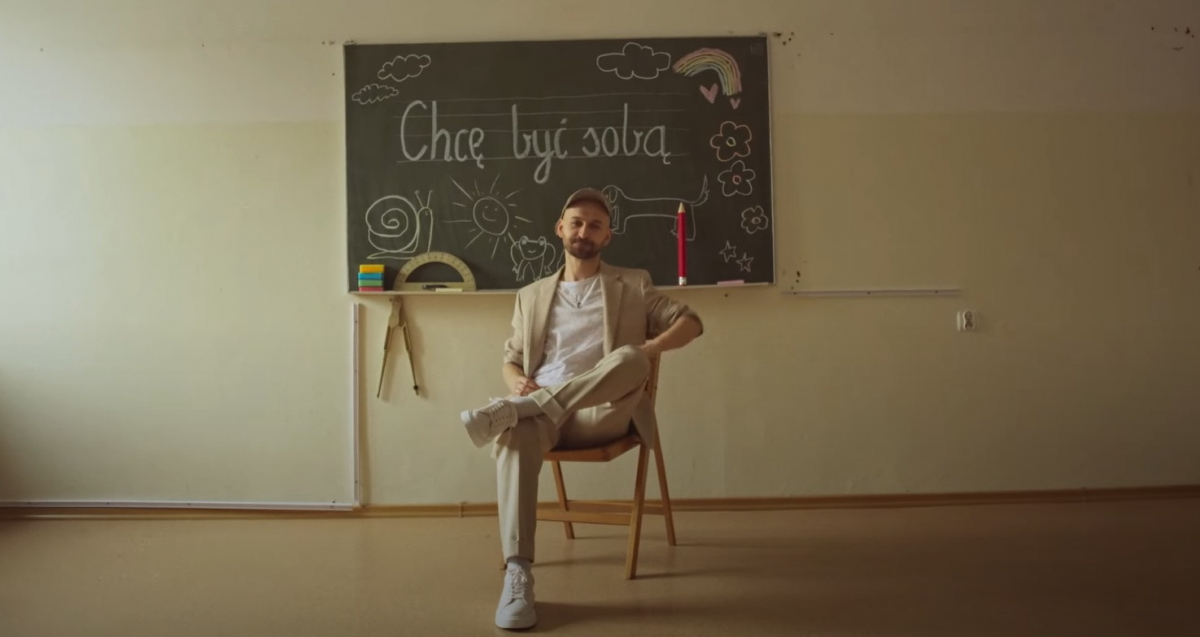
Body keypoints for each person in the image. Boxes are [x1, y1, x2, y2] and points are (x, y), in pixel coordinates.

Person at [459, 187, 704, 630]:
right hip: (542, 420)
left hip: (602, 414)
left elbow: (692, 322)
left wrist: (650, 348)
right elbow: (512, 359)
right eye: (576, 222)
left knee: (632, 360)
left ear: (607, 236)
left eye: (595, 225)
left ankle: (518, 409)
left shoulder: (633, 283)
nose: (584, 231)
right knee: (515, 436)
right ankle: (518, 574)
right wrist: (515, 382)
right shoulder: (531, 295)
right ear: (560, 228)